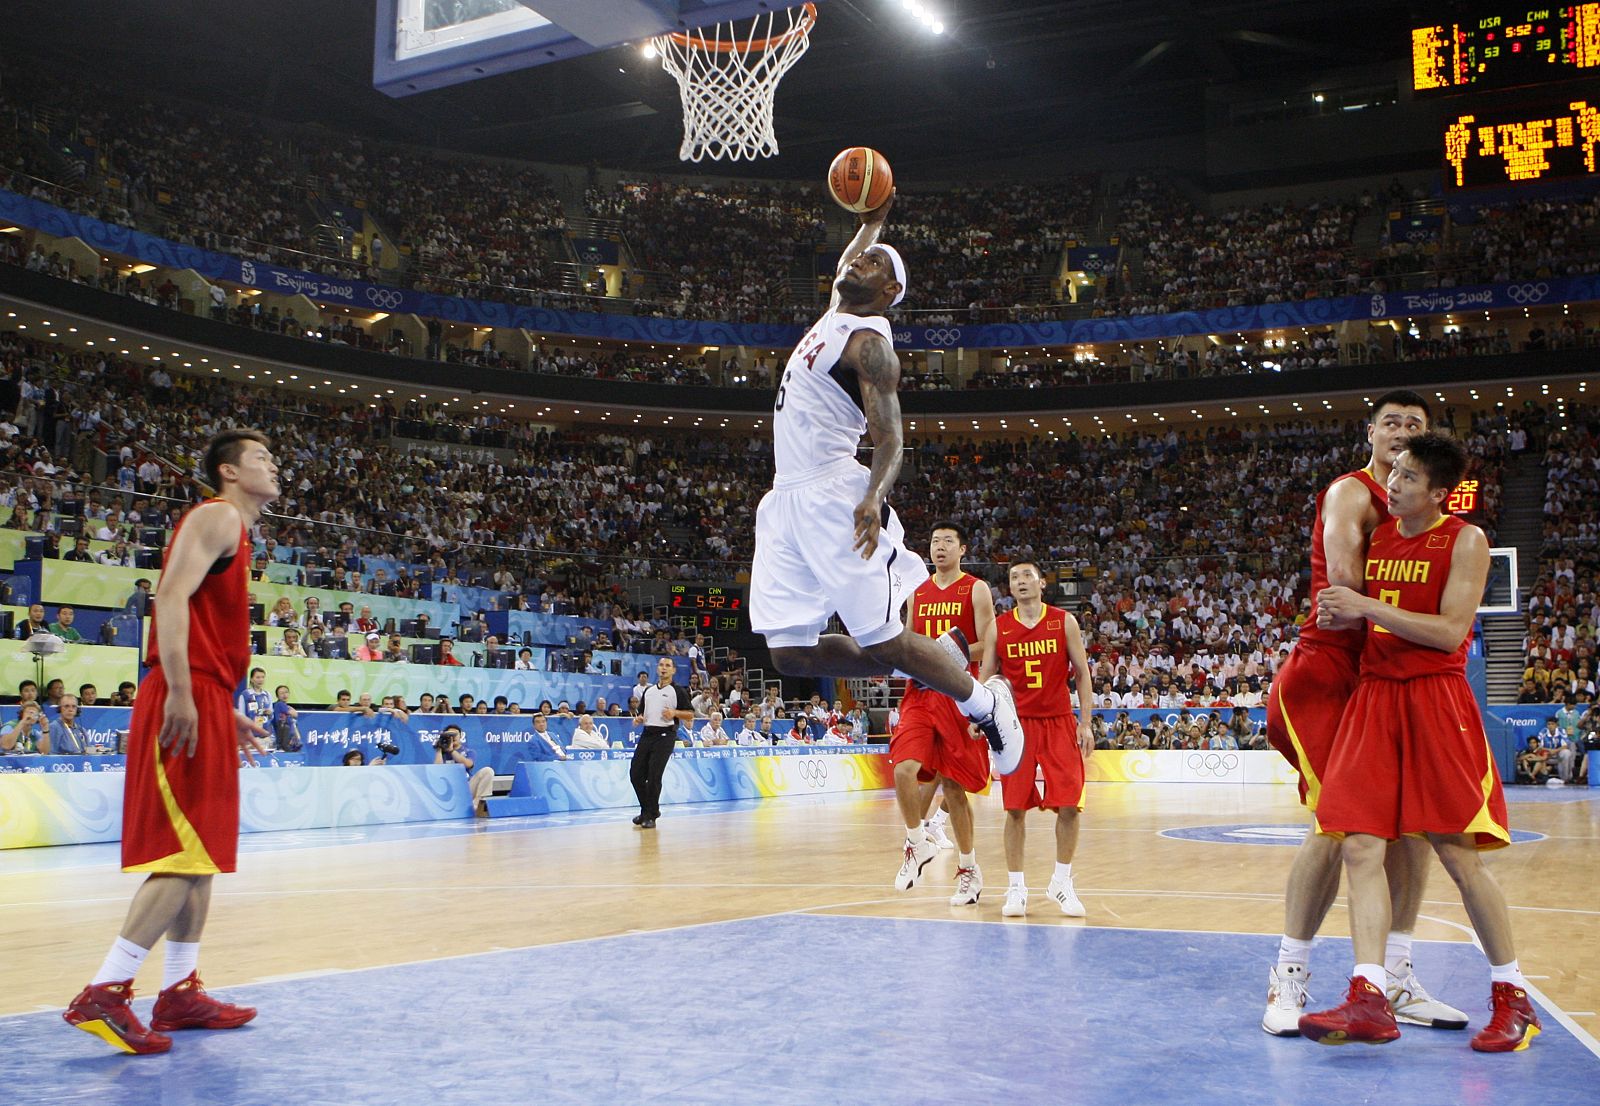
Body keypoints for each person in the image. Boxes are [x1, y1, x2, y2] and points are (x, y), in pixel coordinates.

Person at [746, 189, 1024, 771]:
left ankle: (984, 705)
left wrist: (873, 498)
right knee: (790, 655)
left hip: (833, 493)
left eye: (872, 265)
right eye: (860, 260)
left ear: (889, 292)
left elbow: (891, 437)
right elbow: (851, 255)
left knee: (881, 637)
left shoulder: (870, 346)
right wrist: (874, 221)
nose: (857, 265)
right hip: (785, 497)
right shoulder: (834, 315)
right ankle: (930, 659)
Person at [1301, 431, 1536, 1052]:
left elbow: (1448, 631)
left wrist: (1365, 606)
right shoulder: (1377, 537)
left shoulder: (1467, 540)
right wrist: (1341, 612)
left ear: (1437, 491)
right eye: (1393, 473)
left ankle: (1513, 995)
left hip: (1435, 699)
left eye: (1406, 477)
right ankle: (1369, 995)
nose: (1393, 483)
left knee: (1458, 855)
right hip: (1375, 698)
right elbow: (1356, 610)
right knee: (1357, 846)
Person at [1259, 390, 1466, 1037]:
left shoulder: (1436, 519)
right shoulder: (1350, 494)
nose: (1402, 432)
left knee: (1411, 826)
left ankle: (1396, 976)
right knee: (1338, 826)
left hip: (1388, 679)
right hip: (1327, 675)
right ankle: (1289, 975)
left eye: (1416, 426)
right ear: (1371, 434)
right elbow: (1345, 591)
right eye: (1392, 423)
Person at [64, 429, 274, 1055]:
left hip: (208, 695)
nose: (274, 466)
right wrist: (183, 690)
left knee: (201, 854)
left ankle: (179, 992)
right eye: (261, 458)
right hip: (184, 694)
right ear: (228, 472)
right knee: (182, 856)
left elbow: (203, 618)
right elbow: (169, 596)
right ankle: (105, 991)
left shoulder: (236, 531)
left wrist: (221, 705)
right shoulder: (216, 515)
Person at [977, 560, 1094, 918]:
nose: (1021, 581)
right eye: (1014, 577)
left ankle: (1061, 881)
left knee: (1070, 805)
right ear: (1009, 588)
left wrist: (1085, 722)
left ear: (1042, 582)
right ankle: (1016, 887)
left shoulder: (1064, 621)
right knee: (1014, 809)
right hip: (1016, 726)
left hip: (1059, 722)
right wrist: (978, 718)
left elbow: (1083, 675)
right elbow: (985, 677)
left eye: (1027, 575)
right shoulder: (999, 627)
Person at [888, 522, 995, 906]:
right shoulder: (918, 592)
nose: (940, 547)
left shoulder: (976, 588)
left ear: (962, 549)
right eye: (934, 541)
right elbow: (910, 640)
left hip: (957, 691)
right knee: (903, 770)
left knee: (954, 787)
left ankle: (968, 869)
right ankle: (917, 842)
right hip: (920, 691)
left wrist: (952, 653)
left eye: (948, 541)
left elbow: (991, 644)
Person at [631, 655, 692, 829]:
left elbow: (689, 714)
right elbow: (643, 713)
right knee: (635, 773)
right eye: (661, 665)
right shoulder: (648, 691)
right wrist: (639, 718)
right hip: (647, 734)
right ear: (657, 669)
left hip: (665, 736)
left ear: (673, 670)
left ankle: (650, 815)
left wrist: (674, 713)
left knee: (654, 776)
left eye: (668, 665)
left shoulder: (678, 691)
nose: (664, 668)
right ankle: (648, 810)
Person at [435, 725, 495, 817]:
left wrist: (452, 751)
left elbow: (468, 764)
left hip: (467, 788)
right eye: (449, 735)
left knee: (488, 771)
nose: (453, 737)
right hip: (449, 791)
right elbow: (436, 769)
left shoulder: (468, 751)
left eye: (455, 734)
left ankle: (476, 804)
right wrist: (439, 749)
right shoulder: (442, 753)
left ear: (460, 736)